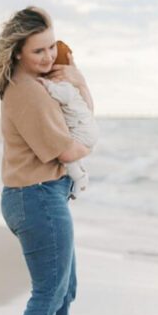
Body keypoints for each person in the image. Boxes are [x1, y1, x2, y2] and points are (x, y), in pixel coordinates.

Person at [0, 6, 104, 315]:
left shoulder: (39, 83)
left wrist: (79, 79)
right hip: (34, 197)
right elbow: (67, 148)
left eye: (52, 47)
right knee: (48, 291)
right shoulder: (25, 91)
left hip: (43, 194)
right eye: (38, 51)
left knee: (64, 289)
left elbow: (83, 113)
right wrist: (90, 143)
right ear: (17, 51)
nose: (48, 56)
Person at [40, 42, 98, 199]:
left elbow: (63, 95)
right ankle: (80, 175)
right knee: (72, 160)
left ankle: (79, 178)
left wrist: (47, 84)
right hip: (85, 130)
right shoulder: (72, 85)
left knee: (67, 157)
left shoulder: (64, 85)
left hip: (83, 131)